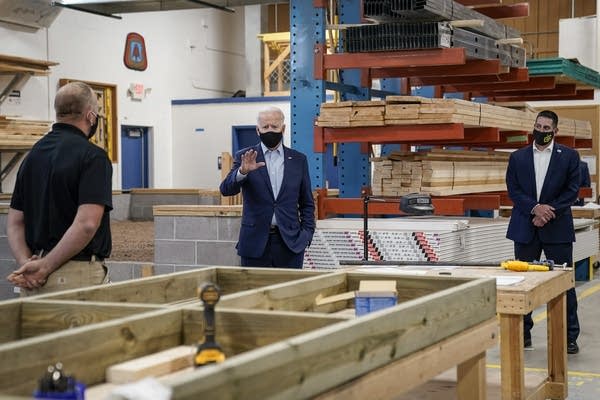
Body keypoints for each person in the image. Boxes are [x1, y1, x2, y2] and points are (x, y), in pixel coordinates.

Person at [6, 81, 113, 296]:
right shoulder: (93, 157)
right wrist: (45, 267)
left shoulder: (32, 156)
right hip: (75, 277)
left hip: (32, 277)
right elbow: (87, 224)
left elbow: (15, 222)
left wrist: (28, 263)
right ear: (91, 116)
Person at [505, 110, 581, 354]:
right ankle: (522, 334)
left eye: (546, 128)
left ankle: (568, 337)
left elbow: (572, 191)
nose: (541, 131)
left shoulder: (569, 156)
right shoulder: (518, 157)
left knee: (563, 283)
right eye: (538, 126)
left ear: (555, 132)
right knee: (522, 283)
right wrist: (535, 209)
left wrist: (549, 212)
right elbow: (513, 189)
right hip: (525, 227)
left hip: (557, 228)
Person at [220, 106, 315, 268]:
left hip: (290, 244)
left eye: (274, 126)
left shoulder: (298, 160)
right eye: (265, 127)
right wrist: (242, 172)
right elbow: (226, 189)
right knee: (254, 292)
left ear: (283, 129)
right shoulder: (245, 157)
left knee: (290, 292)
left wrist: (306, 234)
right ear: (258, 130)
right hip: (254, 244)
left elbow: (307, 202)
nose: (270, 130)